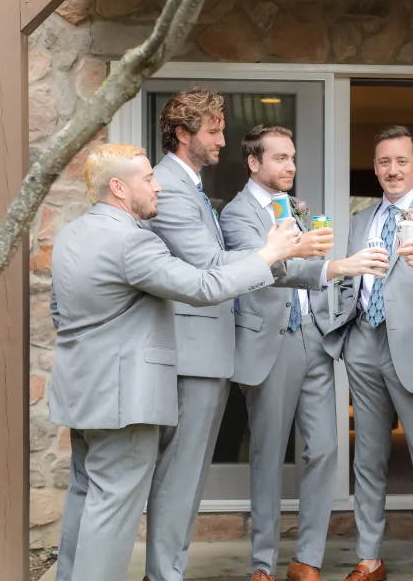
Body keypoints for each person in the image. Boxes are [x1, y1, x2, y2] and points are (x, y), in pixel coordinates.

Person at [50, 144, 300, 581]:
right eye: (147, 178)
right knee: (112, 511)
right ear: (118, 188)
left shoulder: (72, 234)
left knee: (86, 497)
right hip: (126, 401)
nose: (157, 184)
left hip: (80, 392)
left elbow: (61, 312)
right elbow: (203, 286)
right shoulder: (132, 241)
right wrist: (268, 255)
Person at [141, 88, 333, 581]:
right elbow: (208, 265)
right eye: (214, 130)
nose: (221, 139)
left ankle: (167, 572)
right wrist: (272, 254)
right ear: (184, 134)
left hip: (227, 348)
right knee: (181, 475)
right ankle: (165, 574)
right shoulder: (172, 187)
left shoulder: (196, 187)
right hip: (197, 348)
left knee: (188, 476)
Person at [219, 125, 390, 581]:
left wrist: (326, 271)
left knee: (325, 450)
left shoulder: (296, 207)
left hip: (314, 338)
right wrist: (336, 265)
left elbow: (308, 264)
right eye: (279, 158)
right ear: (254, 163)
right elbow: (271, 270)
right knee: (269, 456)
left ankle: (307, 560)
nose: (290, 166)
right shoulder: (236, 215)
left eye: (292, 157)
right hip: (270, 343)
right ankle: (262, 565)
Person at [323, 125, 413, 581]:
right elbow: (348, 278)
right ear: (376, 166)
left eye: (401, 161)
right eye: (384, 161)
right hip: (363, 343)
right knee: (368, 457)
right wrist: (344, 328)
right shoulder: (362, 218)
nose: (392, 170)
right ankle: (369, 559)